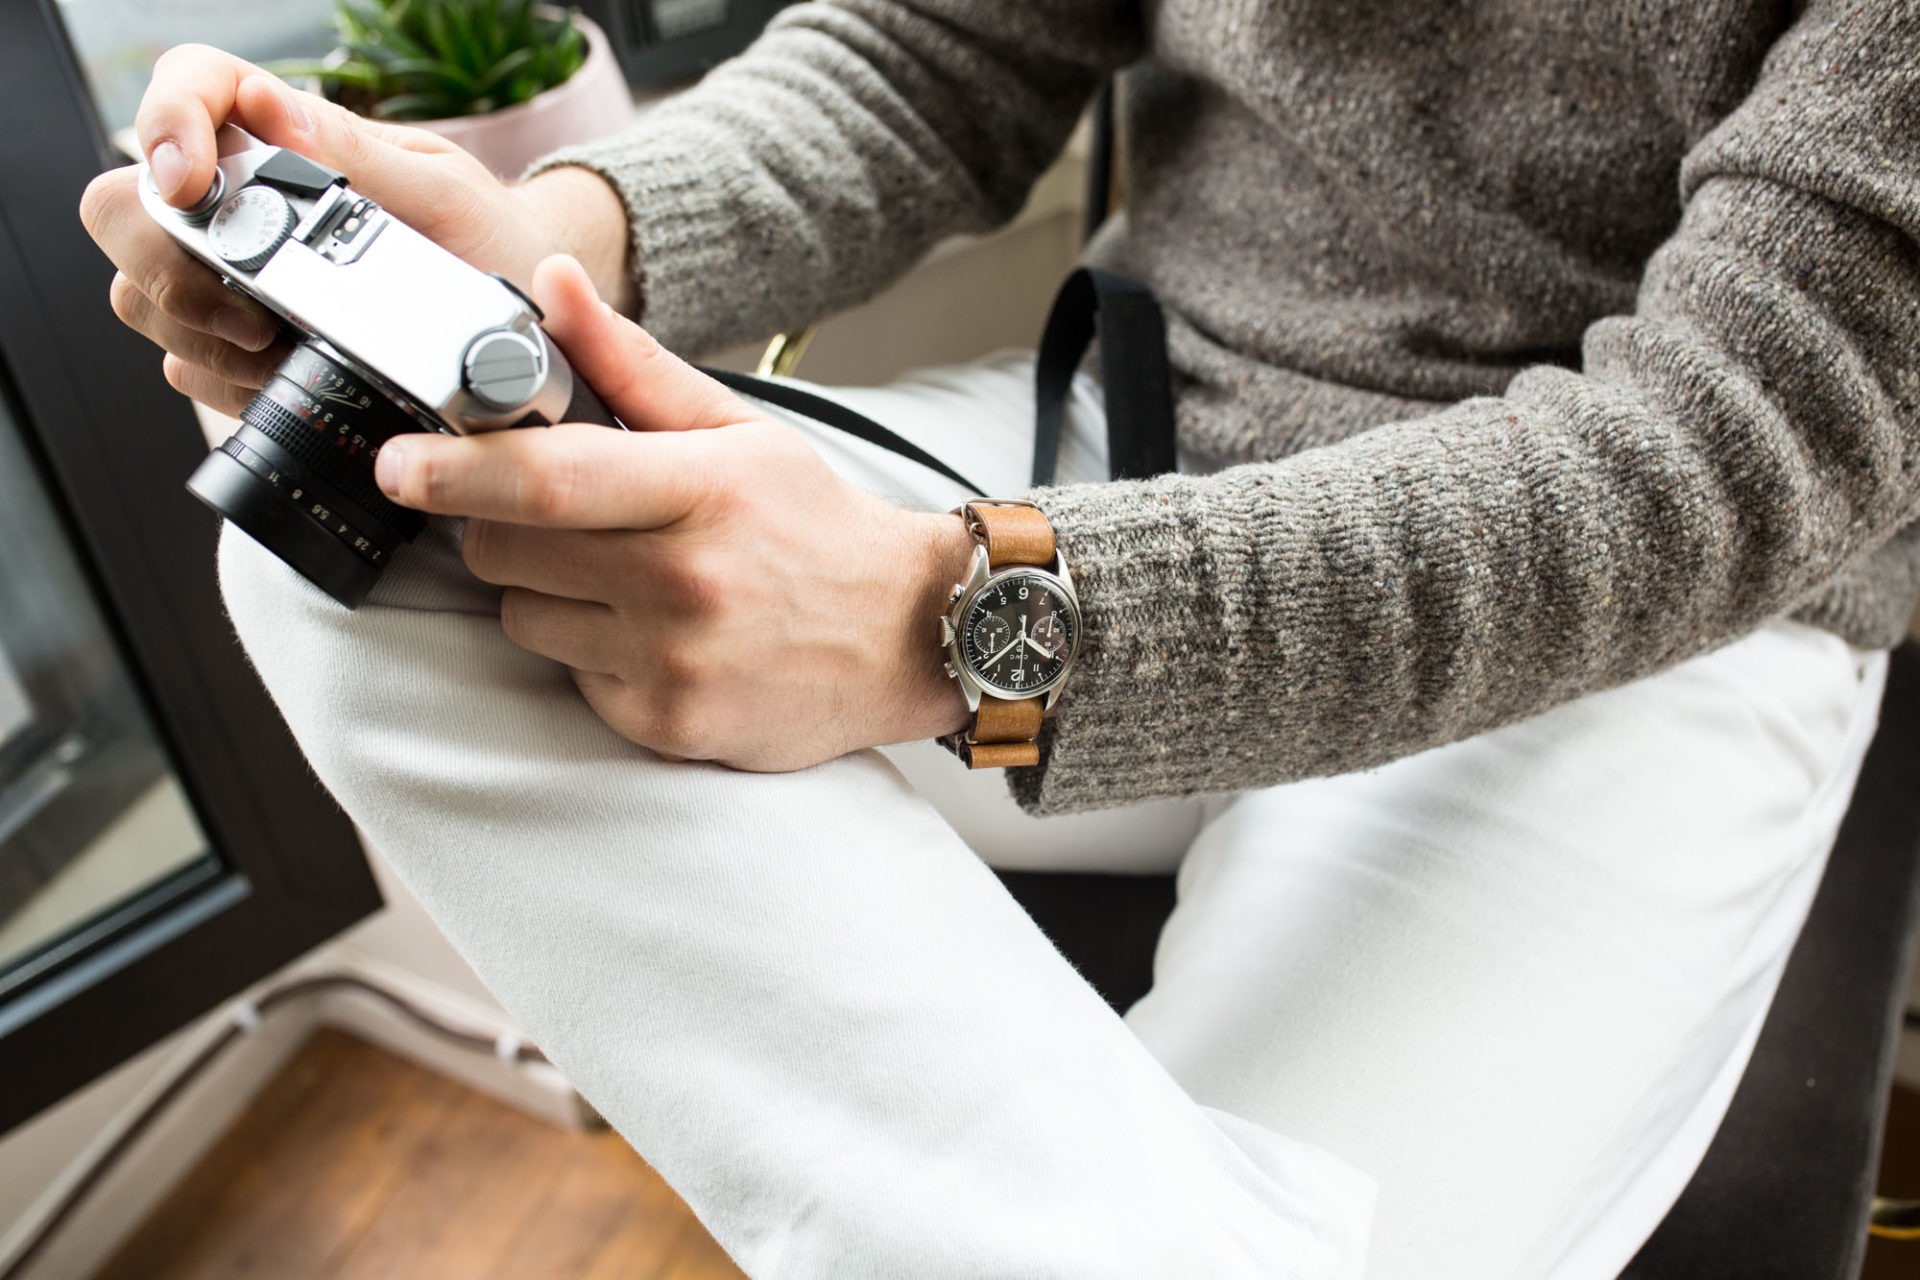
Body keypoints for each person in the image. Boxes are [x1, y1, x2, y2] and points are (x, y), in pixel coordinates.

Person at [79, 2, 1917, 1276]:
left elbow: (1750, 426)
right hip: (1139, 427)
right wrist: (555, 235)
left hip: (1645, 607)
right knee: (352, 524)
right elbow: (938, 47)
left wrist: (949, 623)